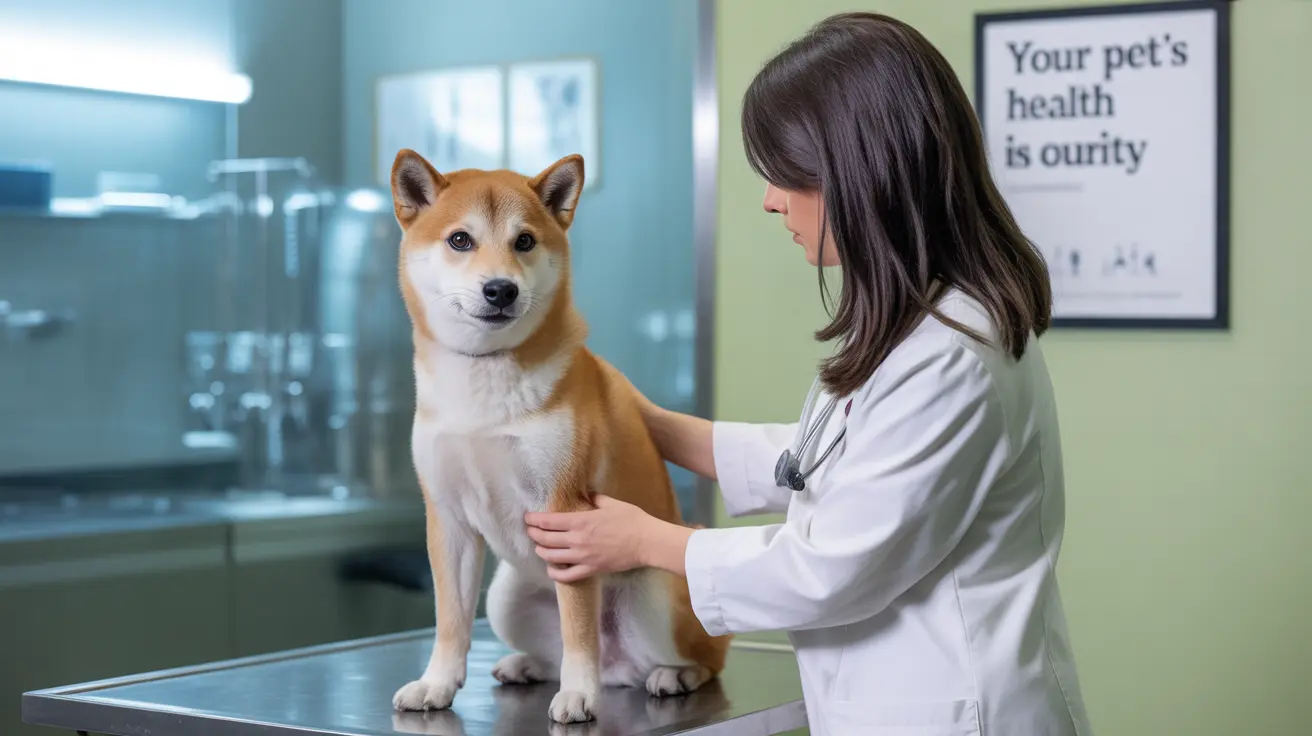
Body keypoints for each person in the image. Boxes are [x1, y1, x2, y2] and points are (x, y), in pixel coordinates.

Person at [525, 11, 1093, 736]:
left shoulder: (952, 353)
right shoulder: (915, 322)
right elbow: (819, 462)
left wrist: (645, 542)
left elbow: (832, 567)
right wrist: (650, 424)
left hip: (957, 712)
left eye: (786, 172)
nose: (769, 198)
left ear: (863, 168)